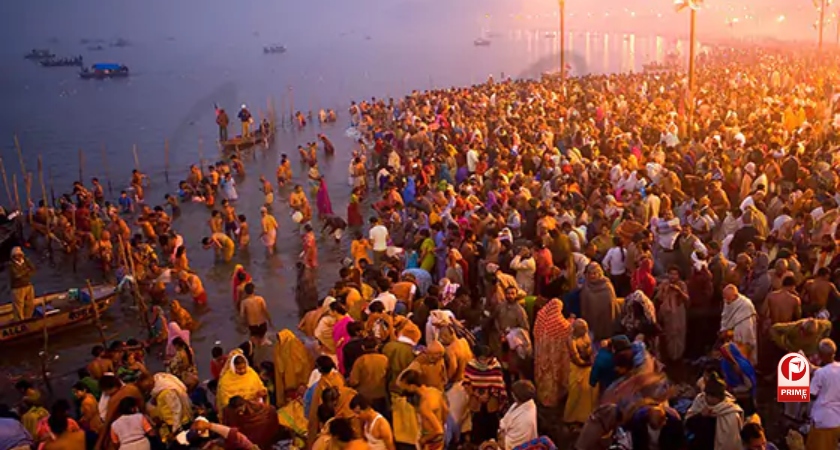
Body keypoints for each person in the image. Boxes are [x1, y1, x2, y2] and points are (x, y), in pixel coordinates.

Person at [462, 344, 507, 444]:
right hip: (475, 399)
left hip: (491, 400)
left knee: (491, 422)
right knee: (477, 423)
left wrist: (489, 394)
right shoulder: (471, 365)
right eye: (482, 359)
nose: (484, 361)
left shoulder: (495, 366)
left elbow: (498, 383)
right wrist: (476, 394)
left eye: (486, 358)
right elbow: (466, 382)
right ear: (476, 357)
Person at [533, 298, 571, 408]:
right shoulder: (558, 321)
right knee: (552, 379)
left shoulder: (540, 317)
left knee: (543, 378)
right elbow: (567, 330)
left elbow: (535, 332)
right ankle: (552, 402)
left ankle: (542, 399)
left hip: (541, 355)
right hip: (553, 357)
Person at [807, 338, 840, 450]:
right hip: (837, 420)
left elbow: (812, 395)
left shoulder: (820, 374)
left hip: (822, 421)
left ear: (820, 354)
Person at [564, 319, 597, 426]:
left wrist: (592, 357)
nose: (585, 331)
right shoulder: (571, 340)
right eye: (583, 329)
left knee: (589, 391)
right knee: (575, 393)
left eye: (586, 329)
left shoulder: (585, 335)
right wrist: (589, 363)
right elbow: (576, 359)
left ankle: (584, 416)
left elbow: (590, 348)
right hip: (578, 368)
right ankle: (570, 418)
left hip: (587, 366)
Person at [499, 380, 538, 450]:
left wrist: (501, 435)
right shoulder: (518, 404)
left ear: (515, 396)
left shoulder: (525, 420)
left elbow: (509, 445)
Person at [9, 246, 36, 320]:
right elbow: (17, 275)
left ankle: (28, 320)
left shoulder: (26, 261)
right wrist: (27, 271)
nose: (19, 256)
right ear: (13, 256)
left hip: (28, 285)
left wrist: (25, 272)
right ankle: (19, 324)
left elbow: (33, 269)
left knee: (30, 304)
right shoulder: (11, 265)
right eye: (17, 255)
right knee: (19, 308)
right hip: (18, 288)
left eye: (20, 254)